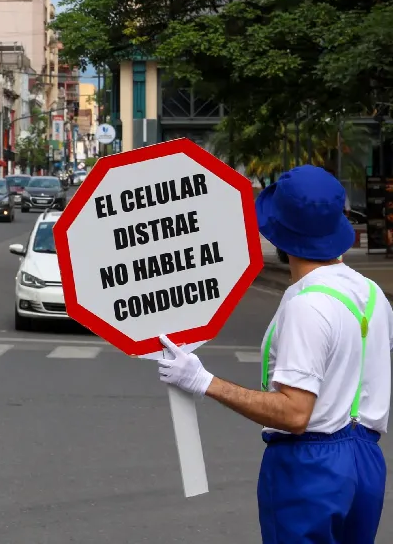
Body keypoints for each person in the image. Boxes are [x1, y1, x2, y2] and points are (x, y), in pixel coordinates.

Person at [157, 165, 391, 543]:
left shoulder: (306, 304)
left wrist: (204, 382)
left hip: (310, 467)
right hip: (366, 465)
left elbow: (295, 413)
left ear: (280, 237)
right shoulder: (373, 295)